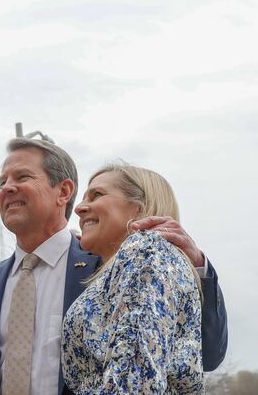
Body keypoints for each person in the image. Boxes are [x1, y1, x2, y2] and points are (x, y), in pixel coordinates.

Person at [0, 138, 227, 395]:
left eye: (22, 177)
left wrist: (197, 267)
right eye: (2, 182)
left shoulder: (115, 263)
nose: (7, 188)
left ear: (63, 191)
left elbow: (203, 353)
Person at [61, 163, 204, 393]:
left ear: (138, 209)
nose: (78, 208)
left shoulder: (145, 250)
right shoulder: (135, 261)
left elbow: (135, 380)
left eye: (97, 194)